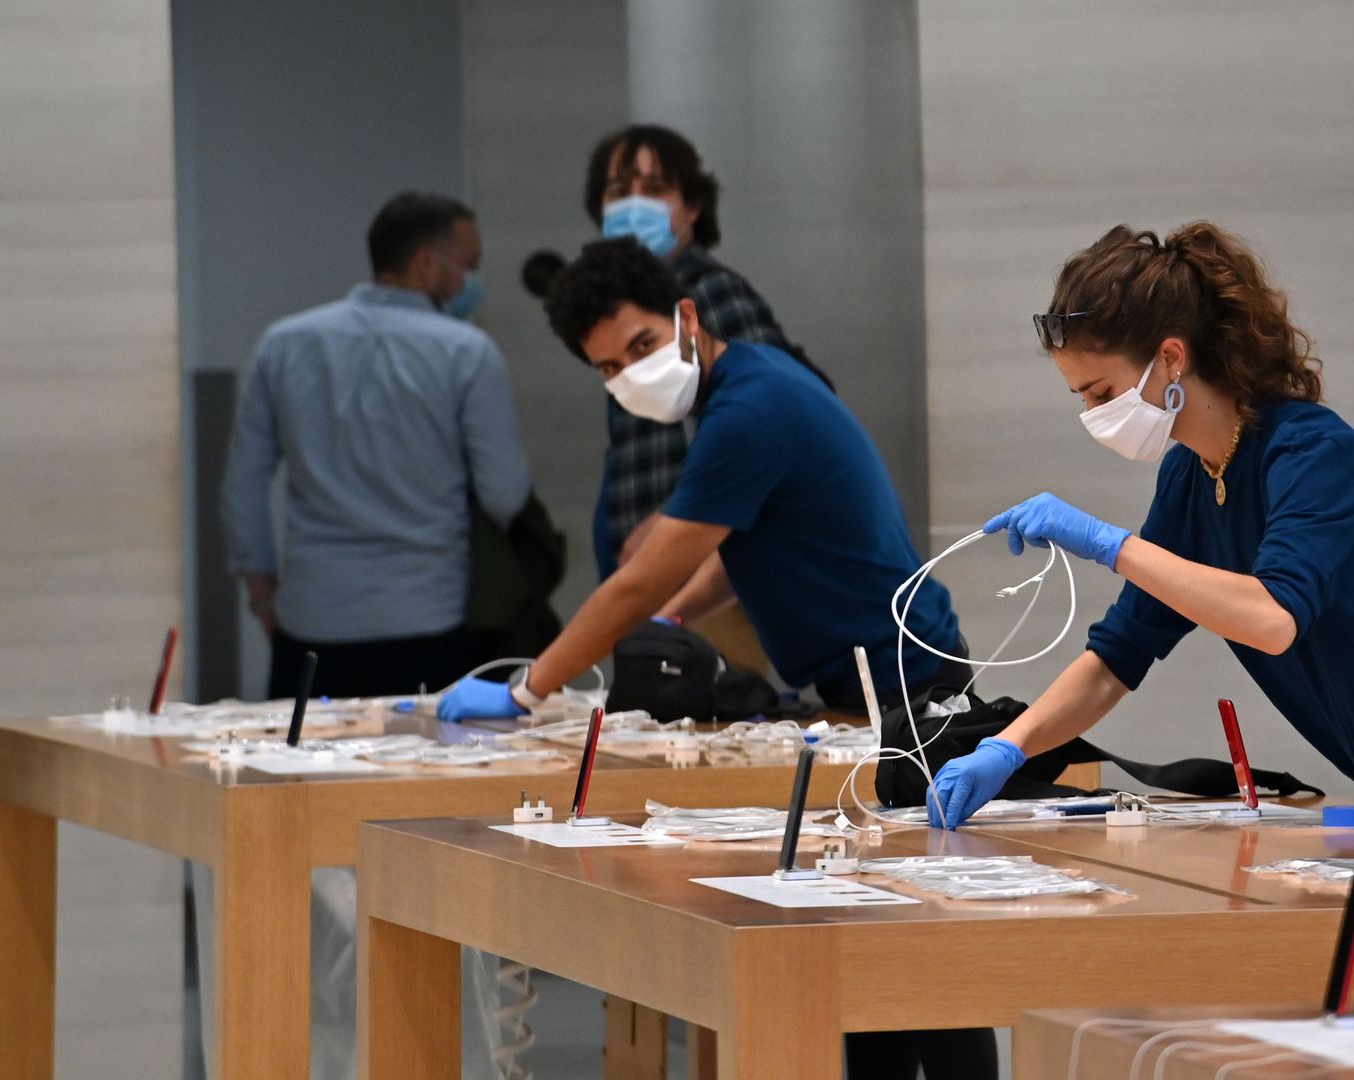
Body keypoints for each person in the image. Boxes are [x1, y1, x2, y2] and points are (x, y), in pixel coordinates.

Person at [440, 237, 997, 1078]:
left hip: (907, 690)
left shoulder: (750, 411)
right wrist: (670, 613)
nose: (629, 373)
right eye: (607, 368)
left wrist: (527, 690)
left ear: (686, 318)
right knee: (866, 950)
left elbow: (636, 583)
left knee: (922, 963)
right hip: (860, 692)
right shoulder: (749, 386)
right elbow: (725, 555)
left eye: (639, 347)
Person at [928, 222, 1354, 836]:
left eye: (1101, 394)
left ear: (1171, 357)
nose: (1093, 416)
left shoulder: (1314, 454)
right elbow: (1115, 660)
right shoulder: (1190, 477)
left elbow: (1271, 619)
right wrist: (1005, 749)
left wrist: (1110, 544)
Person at [221, 191, 531, 699]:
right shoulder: (467, 352)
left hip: (311, 622)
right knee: (430, 775)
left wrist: (263, 597)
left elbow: (243, 485)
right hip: (433, 622)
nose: (472, 281)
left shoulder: (283, 343)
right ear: (426, 264)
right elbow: (505, 494)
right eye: (468, 265)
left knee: (305, 777)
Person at [581, 124, 825, 580]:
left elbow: (780, 419)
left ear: (691, 207)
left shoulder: (709, 292)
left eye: (655, 189)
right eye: (618, 193)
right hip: (654, 560)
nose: (634, 205)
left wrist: (674, 514)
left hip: (705, 560)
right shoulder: (629, 307)